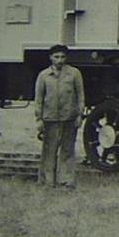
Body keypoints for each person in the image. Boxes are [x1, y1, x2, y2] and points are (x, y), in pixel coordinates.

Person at [34, 44, 85, 188]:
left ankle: (66, 181)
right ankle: (47, 181)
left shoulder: (74, 74)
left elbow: (80, 96)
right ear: (50, 58)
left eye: (62, 57)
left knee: (67, 150)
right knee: (49, 151)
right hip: (49, 118)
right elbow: (38, 99)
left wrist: (79, 115)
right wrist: (39, 119)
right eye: (56, 57)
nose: (59, 60)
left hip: (69, 117)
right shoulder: (43, 76)